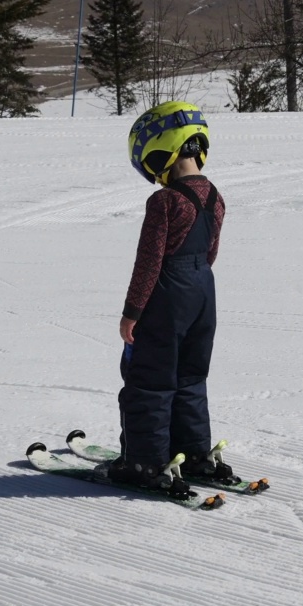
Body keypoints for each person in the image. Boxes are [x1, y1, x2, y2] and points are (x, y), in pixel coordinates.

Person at [107, 101, 230, 499]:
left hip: (167, 293)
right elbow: (211, 251)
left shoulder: (163, 202)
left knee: (150, 381)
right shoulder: (214, 196)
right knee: (190, 376)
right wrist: (195, 278)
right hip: (203, 292)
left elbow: (149, 262)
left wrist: (132, 313)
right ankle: (193, 454)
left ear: (159, 151)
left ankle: (145, 462)